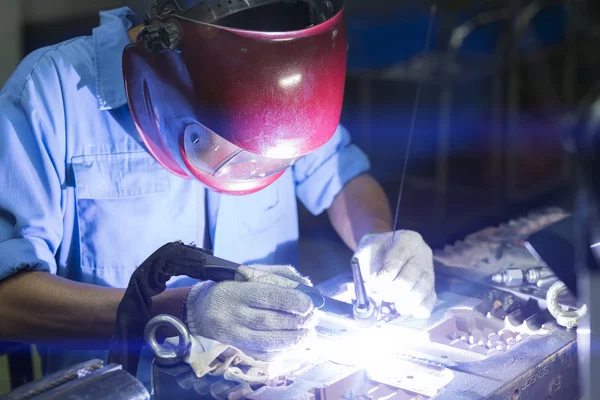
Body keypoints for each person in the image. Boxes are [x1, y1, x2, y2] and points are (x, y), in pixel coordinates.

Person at [0, 0, 436, 377]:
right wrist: (182, 309)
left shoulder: (289, 68)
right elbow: (8, 302)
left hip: (266, 381)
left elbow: (341, 177)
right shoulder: (53, 92)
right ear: (167, 74)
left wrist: (378, 237)